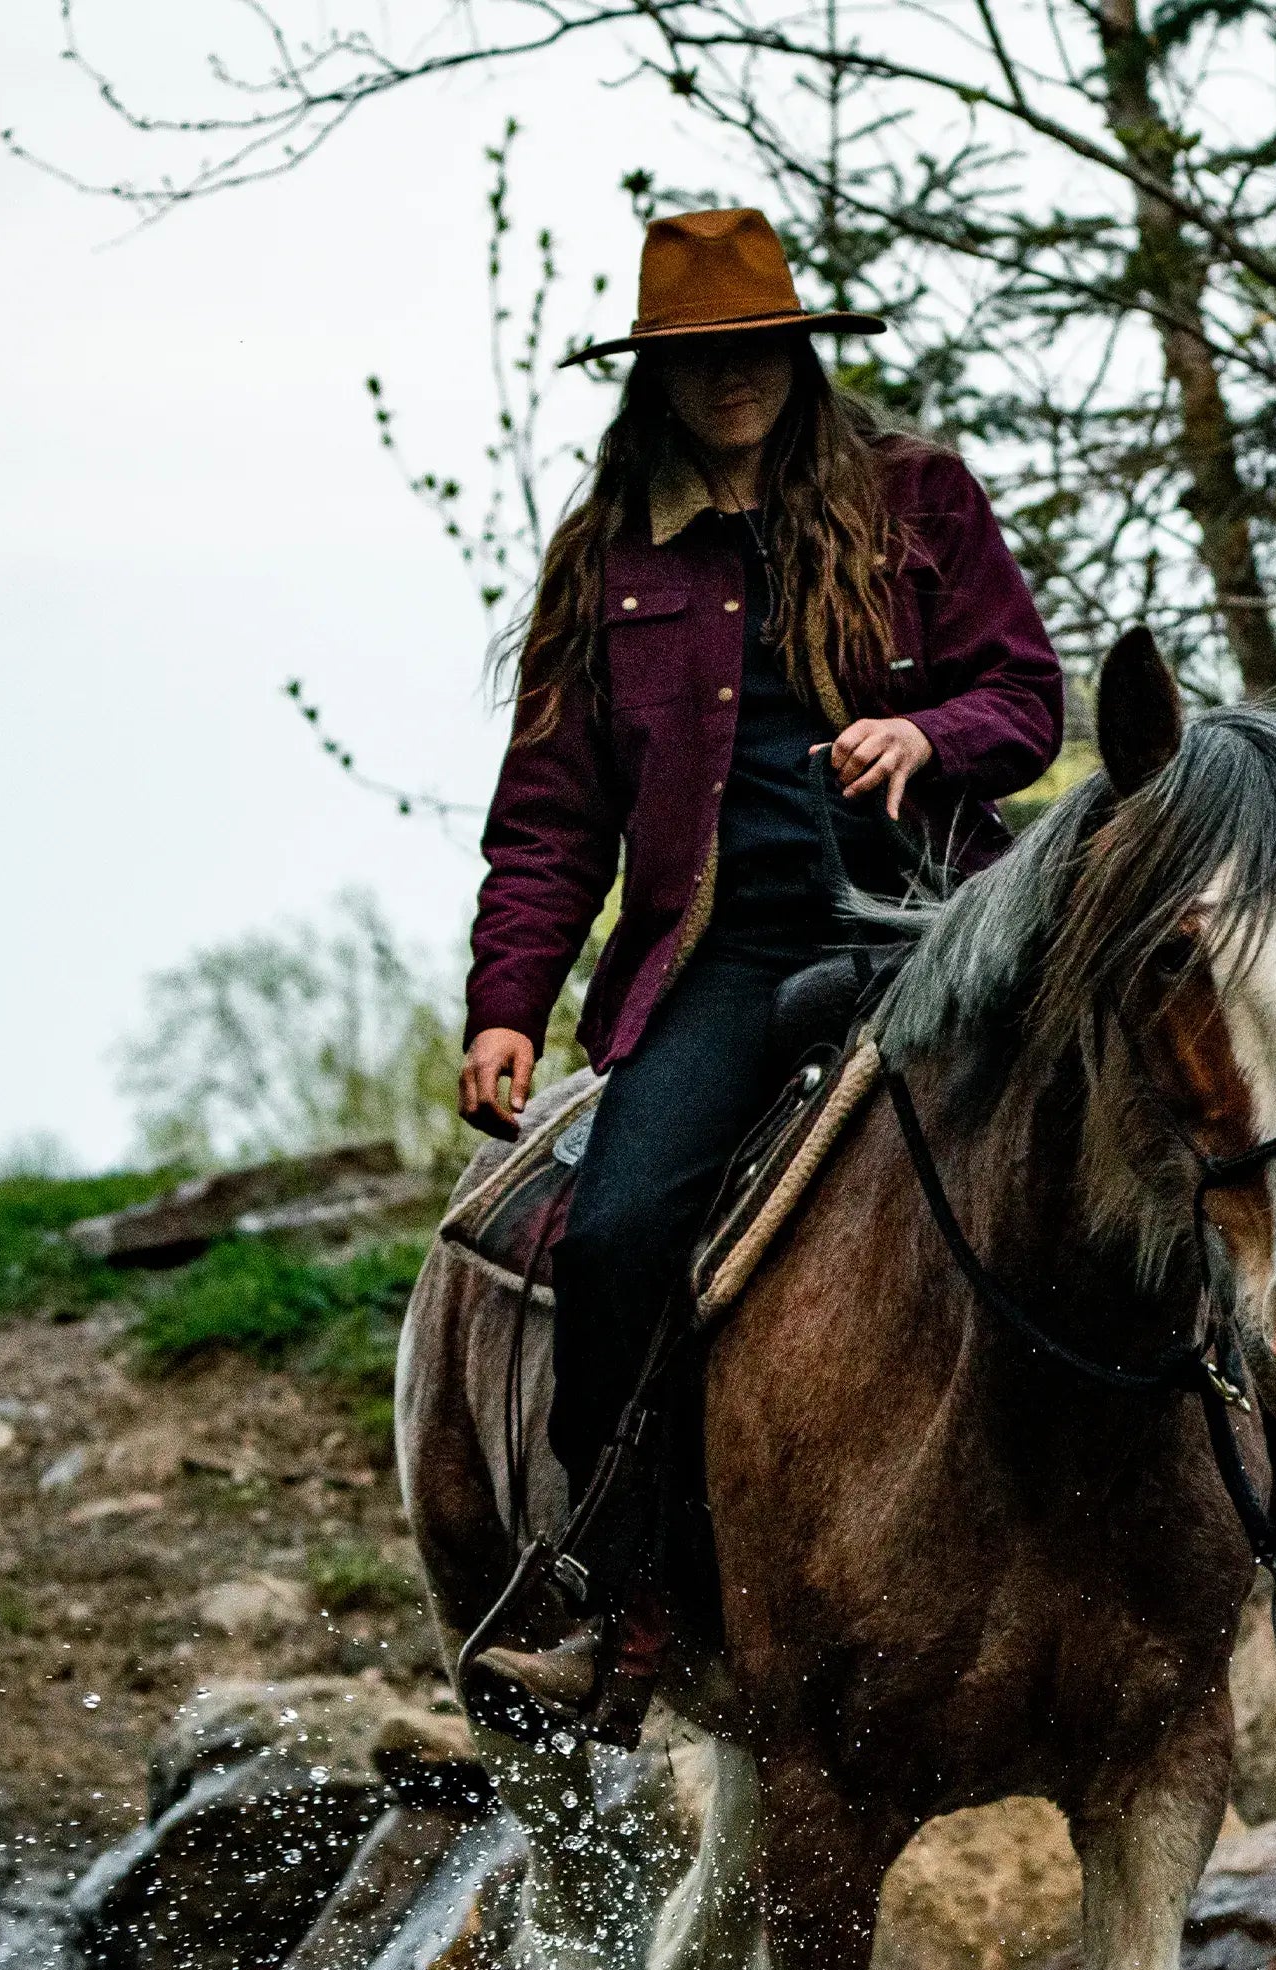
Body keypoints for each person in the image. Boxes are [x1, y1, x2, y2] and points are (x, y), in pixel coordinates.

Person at [455, 206, 1064, 1737]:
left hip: (943, 920)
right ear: (654, 375)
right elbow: (551, 812)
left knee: (1155, 1123)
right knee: (616, 1238)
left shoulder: (919, 497)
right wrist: (507, 1006)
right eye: (698, 357)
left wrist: (933, 737)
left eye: (754, 349)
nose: (733, 378)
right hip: (722, 956)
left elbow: (1030, 698)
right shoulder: (607, 559)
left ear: (796, 351)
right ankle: (628, 1599)